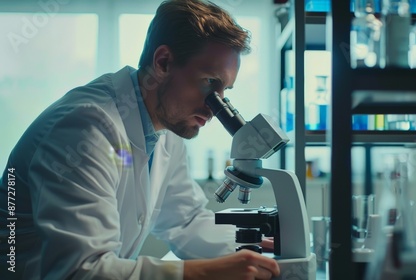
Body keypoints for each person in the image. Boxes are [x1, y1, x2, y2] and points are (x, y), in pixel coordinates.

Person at [0, 0, 280, 279]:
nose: (215, 107)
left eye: (224, 90)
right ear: (163, 62)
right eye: (209, 82)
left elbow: (185, 221)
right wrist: (206, 272)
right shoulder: (85, 127)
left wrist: (255, 250)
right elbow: (80, 271)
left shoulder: (166, 130)